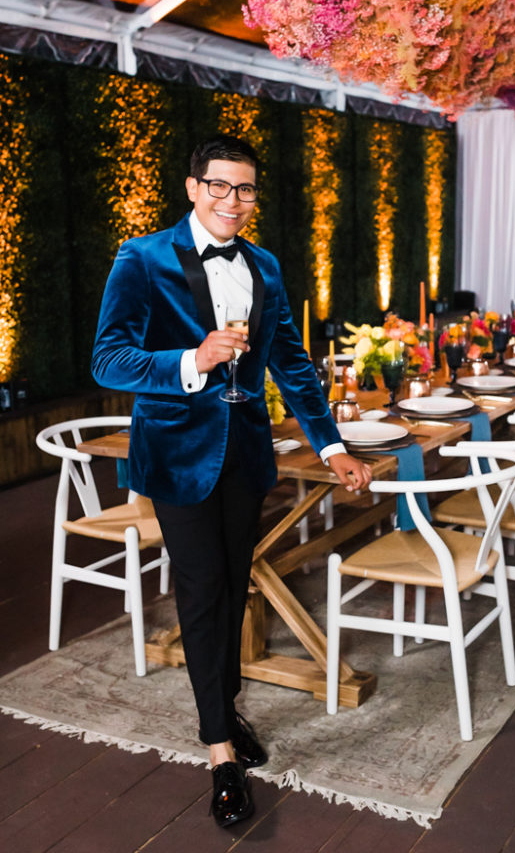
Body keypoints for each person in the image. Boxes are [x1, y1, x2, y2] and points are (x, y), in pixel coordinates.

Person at [92, 135, 372, 828]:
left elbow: (291, 361)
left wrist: (330, 442)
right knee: (202, 592)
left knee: (232, 582)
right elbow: (108, 359)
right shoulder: (141, 257)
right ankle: (219, 748)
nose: (233, 201)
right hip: (176, 456)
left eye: (245, 189)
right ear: (192, 188)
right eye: (219, 186)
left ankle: (221, 708)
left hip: (246, 455)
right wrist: (191, 358)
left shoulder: (266, 266)